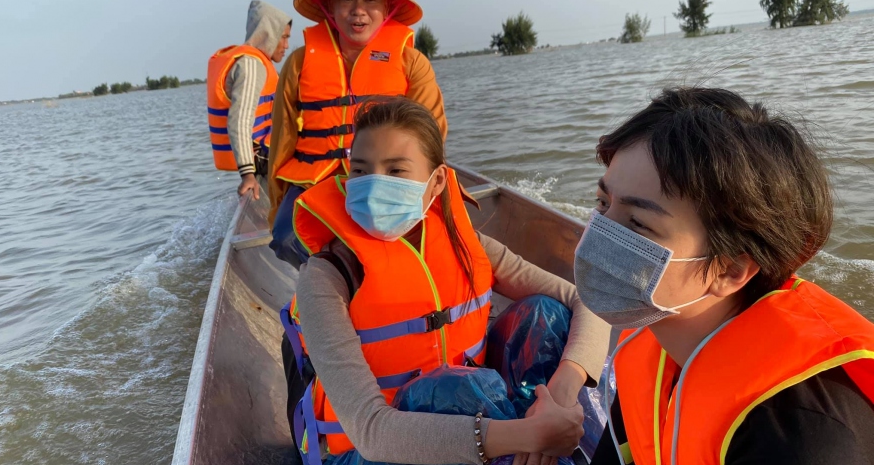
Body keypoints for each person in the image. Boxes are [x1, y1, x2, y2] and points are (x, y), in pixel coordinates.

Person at [283, 97, 611, 465]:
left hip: (481, 419)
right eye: (360, 170)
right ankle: (542, 448)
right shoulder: (327, 276)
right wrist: (523, 435)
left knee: (545, 315)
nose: (374, 186)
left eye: (395, 170)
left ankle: (554, 444)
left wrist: (564, 388)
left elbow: (587, 302)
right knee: (460, 391)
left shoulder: (465, 245)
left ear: (437, 181)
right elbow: (372, 432)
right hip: (371, 451)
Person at [573, 87, 874, 464]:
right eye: (602, 203)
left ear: (731, 269)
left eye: (638, 223)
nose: (599, 233)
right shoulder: (654, 338)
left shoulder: (800, 439)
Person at [266, 0, 448, 267]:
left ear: (388, 7)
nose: (358, 11)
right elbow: (282, 139)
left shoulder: (411, 62)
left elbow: (431, 135)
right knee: (285, 236)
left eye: (370, 0)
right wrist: (277, 203)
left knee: (422, 237)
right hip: (316, 179)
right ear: (329, 6)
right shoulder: (299, 62)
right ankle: (330, 280)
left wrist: (422, 192)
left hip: (386, 177)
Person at [207, 0, 292, 200]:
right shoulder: (252, 66)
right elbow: (239, 121)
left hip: (262, 155)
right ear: (268, 34)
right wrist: (248, 175)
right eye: (284, 37)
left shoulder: (254, 62)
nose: (287, 45)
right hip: (260, 158)